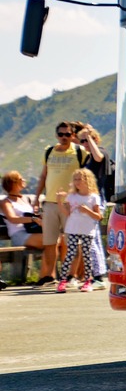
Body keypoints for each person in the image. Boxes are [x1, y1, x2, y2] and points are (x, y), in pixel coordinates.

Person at [33, 122, 88, 286]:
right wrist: (36, 198)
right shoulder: (49, 151)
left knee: (72, 241)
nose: (64, 137)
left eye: (67, 134)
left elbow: (87, 175)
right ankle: (49, 276)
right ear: (56, 135)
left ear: (72, 136)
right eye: (61, 134)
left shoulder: (80, 152)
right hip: (50, 202)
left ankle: (72, 276)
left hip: (71, 204)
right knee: (49, 242)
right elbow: (43, 176)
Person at [56, 168, 104, 293]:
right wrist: (59, 202)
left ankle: (88, 280)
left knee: (86, 254)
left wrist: (87, 211)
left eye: (79, 179)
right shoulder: (72, 197)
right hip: (72, 228)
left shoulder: (94, 197)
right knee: (70, 254)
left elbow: (99, 216)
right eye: (75, 179)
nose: (77, 182)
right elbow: (67, 213)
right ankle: (63, 280)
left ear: (87, 180)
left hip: (87, 230)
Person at [0, 171, 42, 289]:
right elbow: (13, 219)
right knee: (51, 240)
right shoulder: (5, 202)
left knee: (59, 240)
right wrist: (33, 219)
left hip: (31, 232)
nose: (24, 180)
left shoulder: (25, 199)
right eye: (20, 179)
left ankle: (52, 276)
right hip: (19, 235)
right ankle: (46, 276)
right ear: (14, 183)